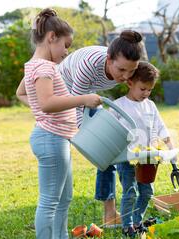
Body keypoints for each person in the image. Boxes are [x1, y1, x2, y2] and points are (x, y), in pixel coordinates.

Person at [16, 8, 100, 239]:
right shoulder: (43, 67)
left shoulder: (38, 66)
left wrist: (40, 111)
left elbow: (21, 92)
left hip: (57, 138)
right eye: (66, 45)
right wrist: (83, 99)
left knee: (64, 198)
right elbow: (47, 102)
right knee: (50, 200)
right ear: (51, 37)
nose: (66, 52)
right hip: (51, 139)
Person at [57, 31, 145, 228]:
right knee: (99, 148)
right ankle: (54, 209)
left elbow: (144, 82)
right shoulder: (88, 65)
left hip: (88, 93)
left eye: (131, 71)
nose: (126, 76)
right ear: (108, 59)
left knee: (108, 152)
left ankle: (110, 214)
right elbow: (76, 104)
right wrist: (88, 139)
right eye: (121, 70)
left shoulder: (128, 67)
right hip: (63, 90)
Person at [110, 61, 179, 237]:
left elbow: (160, 126)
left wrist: (170, 146)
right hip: (127, 157)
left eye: (150, 90)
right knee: (130, 191)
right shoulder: (118, 106)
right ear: (130, 83)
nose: (146, 93)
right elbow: (109, 129)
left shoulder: (150, 105)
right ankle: (127, 226)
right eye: (143, 89)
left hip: (148, 158)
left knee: (147, 192)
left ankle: (137, 220)